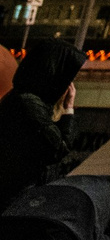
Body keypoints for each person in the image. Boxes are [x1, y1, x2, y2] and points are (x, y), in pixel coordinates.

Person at [0, 40, 88, 209]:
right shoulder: (29, 104)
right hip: (17, 197)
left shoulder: (25, 99)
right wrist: (69, 109)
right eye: (67, 77)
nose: (70, 86)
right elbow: (58, 148)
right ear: (53, 72)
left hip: (19, 193)